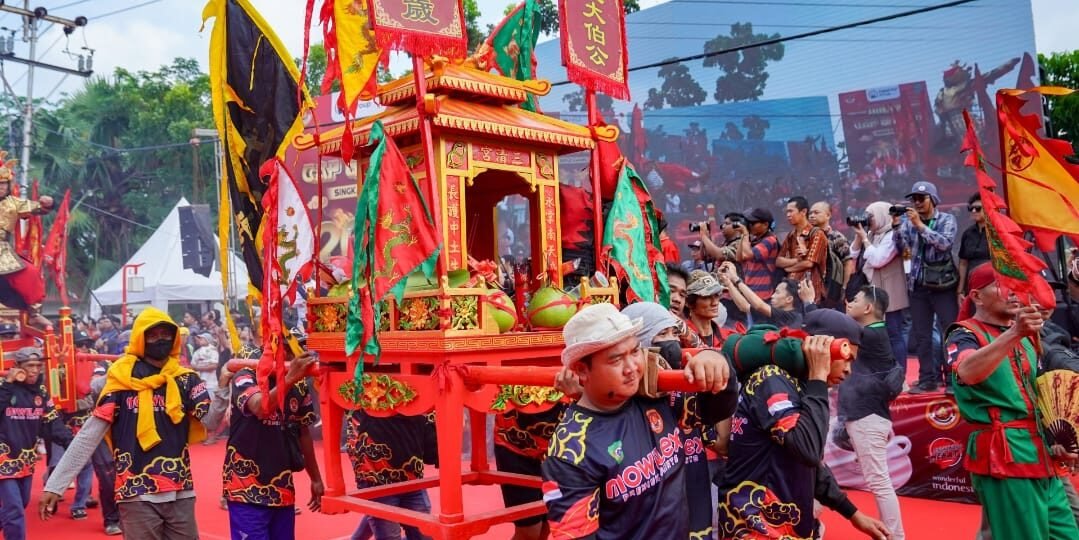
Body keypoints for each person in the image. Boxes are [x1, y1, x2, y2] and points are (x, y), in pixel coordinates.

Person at [541, 303, 738, 539]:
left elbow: (716, 409)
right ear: (582, 370)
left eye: (635, 352)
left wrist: (715, 360)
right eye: (616, 360)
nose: (632, 368)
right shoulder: (571, 450)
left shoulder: (656, 399)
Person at [40, 307, 227, 539]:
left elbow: (209, 422)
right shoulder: (121, 382)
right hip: (136, 494)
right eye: (153, 334)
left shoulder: (185, 379)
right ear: (141, 338)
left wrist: (224, 387)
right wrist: (56, 484)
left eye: (166, 334)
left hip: (180, 491)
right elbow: (89, 435)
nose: (161, 339)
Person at [717, 310, 890, 540]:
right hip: (756, 528)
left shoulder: (799, 384)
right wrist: (818, 376)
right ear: (821, 348)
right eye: (845, 357)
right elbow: (807, 449)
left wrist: (853, 514)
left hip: (785, 527)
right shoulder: (772, 378)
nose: (849, 370)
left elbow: (811, 465)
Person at [945, 263, 1079, 539]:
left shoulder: (1029, 338)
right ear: (977, 297)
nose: (1013, 291)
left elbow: (1039, 398)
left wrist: (1060, 441)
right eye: (1000, 284)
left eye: (1016, 285)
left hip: (1043, 454)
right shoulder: (964, 333)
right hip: (1006, 454)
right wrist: (1015, 332)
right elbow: (967, 372)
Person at [218, 346, 323, 539]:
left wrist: (316, 479)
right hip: (246, 487)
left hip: (282, 488)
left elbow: (303, 433)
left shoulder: (299, 386)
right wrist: (290, 378)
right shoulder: (246, 375)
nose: (297, 356)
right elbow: (260, 407)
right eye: (290, 349)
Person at [841, 286, 906, 539]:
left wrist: (809, 303)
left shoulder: (867, 335)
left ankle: (896, 536)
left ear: (868, 308)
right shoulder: (873, 332)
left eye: (855, 299)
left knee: (879, 482)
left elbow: (829, 326)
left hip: (867, 418)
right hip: (865, 416)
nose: (848, 302)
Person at [0, 347, 73, 540]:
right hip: (3, 458)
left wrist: (71, 443)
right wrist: (8, 383)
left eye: (38, 366)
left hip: (26, 458)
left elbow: (52, 423)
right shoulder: (3, 387)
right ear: (17, 367)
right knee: (15, 509)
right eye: (29, 366)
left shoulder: (41, 392)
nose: (34, 370)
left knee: (20, 503)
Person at [894, 181, 958, 394]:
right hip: (918, 286)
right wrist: (897, 226)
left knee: (948, 331)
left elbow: (944, 244)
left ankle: (951, 379)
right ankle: (927, 379)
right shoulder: (907, 222)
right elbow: (902, 248)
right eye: (914, 199)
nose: (917, 203)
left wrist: (920, 227)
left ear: (933, 199)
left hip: (943, 286)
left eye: (922, 198)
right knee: (922, 335)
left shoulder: (947, 220)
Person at [851, 202, 911, 375]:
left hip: (890, 291)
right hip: (873, 290)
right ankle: (882, 371)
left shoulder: (892, 234)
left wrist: (864, 238)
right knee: (875, 333)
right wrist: (859, 236)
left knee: (893, 333)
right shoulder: (871, 234)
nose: (868, 220)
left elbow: (878, 260)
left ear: (882, 215)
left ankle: (901, 375)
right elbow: (853, 254)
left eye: (871, 217)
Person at [0, 156, 53, 329]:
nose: (0, 187)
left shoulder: (13, 203)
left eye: (3, 184)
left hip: (3, 251)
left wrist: (48, 203)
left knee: (30, 274)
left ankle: (34, 314)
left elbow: (39, 208)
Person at [719, 261, 810, 329]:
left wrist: (735, 278)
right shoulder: (772, 312)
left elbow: (759, 305)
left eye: (777, 292)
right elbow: (745, 307)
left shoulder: (794, 316)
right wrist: (728, 282)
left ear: (789, 299)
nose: (772, 296)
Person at [776, 196, 829, 304]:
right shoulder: (791, 235)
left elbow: (809, 263)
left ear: (803, 211)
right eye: (787, 212)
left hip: (810, 291)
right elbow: (778, 261)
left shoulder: (817, 233)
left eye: (791, 211)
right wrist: (796, 261)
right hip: (791, 292)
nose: (788, 215)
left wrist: (788, 269)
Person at [808, 201, 854, 307]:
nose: (812, 216)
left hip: (830, 293)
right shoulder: (807, 238)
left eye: (816, 213)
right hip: (810, 291)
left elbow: (848, 263)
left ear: (828, 215)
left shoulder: (836, 238)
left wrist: (843, 288)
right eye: (810, 213)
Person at [735, 208, 780, 305]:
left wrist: (746, 234)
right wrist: (743, 236)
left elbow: (747, 255)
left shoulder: (770, 240)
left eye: (753, 223)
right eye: (749, 223)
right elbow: (739, 258)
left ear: (765, 225)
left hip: (763, 294)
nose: (750, 226)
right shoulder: (755, 241)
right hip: (751, 291)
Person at [684, 270, 728, 348]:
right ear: (688, 302)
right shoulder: (680, 337)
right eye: (707, 297)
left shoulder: (728, 338)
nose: (715, 303)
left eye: (717, 295)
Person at [956, 193, 989, 297]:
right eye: (971, 208)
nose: (974, 211)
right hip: (972, 285)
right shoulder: (967, 233)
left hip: (992, 285)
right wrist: (960, 290)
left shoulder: (998, 233)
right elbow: (963, 263)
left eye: (978, 208)